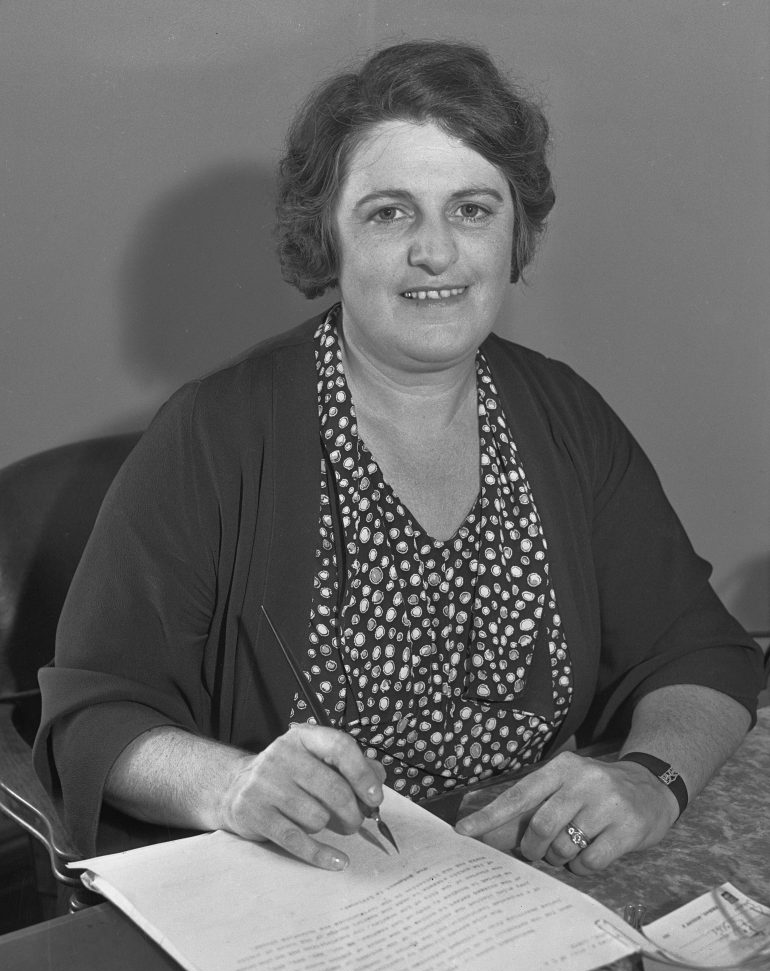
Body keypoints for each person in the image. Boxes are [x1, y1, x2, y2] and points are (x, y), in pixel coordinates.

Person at [34, 40, 763, 876]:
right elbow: (93, 718)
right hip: (303, 891)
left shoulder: (566, 417)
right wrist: (231, 784)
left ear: (515, 232)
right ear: (328, 238)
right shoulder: (215, 435)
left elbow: (701, 651)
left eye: (472, 209)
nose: (436, 252)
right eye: (389, 212)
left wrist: (651, 780)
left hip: (533, 886)